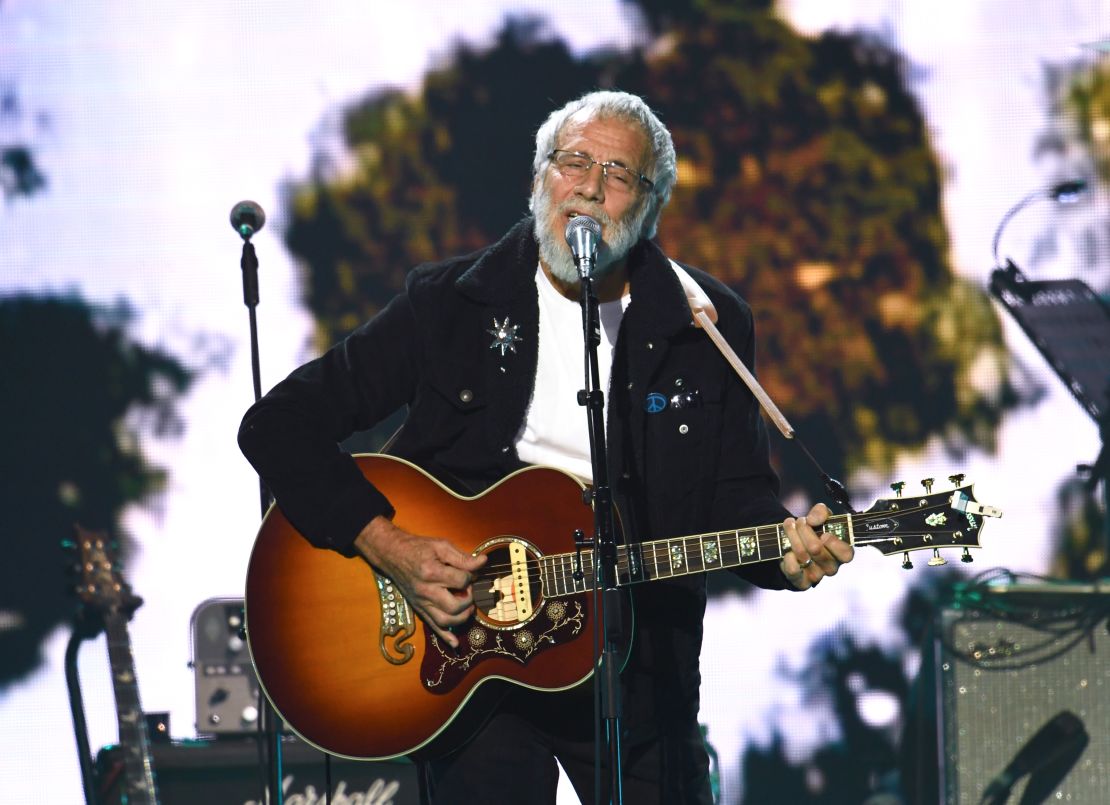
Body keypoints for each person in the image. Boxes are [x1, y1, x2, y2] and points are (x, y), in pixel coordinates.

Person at [238, 89, 854, 804]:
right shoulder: (450, 304)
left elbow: (731, 497)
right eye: (574, 163)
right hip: (469, 669)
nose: (590, 188)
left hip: (638, 667)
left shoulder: (705, 326)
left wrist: (784, 549)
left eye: (619, 176)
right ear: (541, 179)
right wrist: (387, 543)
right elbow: (277, 424)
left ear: (649, 209)